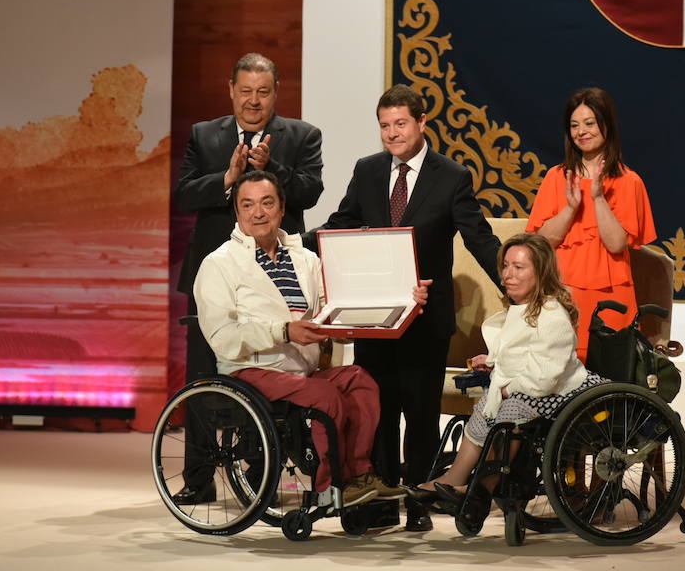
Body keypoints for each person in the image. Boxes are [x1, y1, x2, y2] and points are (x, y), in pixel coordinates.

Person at [308, 84, 501, 531]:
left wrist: (515, 281)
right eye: (384, 126)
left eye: (400, 124)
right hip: (375, 319)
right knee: (376, 412)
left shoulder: (451, 176)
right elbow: (341, 225)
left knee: (419, 416)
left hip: (425, 321)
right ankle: (377, 502)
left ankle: (418, 502)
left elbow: (478, 236)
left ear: (421, 124)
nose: (392, 134)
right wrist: (294, 245)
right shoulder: (368, 170)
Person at [192, 170, 428, 506]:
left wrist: (405, 299)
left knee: (361, 381)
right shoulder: (219, 264)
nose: (258, 212)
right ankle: (332, 484)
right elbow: (222, 336)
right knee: (324, 394)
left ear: (282, 207)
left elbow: (338, 308)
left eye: (266, 202)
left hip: (301, 369)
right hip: (249, 369)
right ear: (237, 212)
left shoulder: (306, 259)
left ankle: (360, 474)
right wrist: (284, 330)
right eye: (248, 205)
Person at [172, 53, 323, 504]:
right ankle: (198, 479)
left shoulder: (301, 135)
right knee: (203, 379)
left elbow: (310, 192)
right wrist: (228, 177)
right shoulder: (205, 135)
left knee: (271, 373)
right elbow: (182, 194)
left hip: (276, 280)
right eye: (245, 92)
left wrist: (272, 168)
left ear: (275, 93)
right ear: (230, 91)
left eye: (262, 92)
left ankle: (264, 477)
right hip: (215, 277)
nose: (252, 101)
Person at [407, 233, 608, 521]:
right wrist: (492, 363)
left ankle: (481, 489)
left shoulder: (552, 316)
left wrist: (506, 387)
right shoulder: (522, 308)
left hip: (561, 391)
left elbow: (546, 375)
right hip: (532, 388)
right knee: (483, 410)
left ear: (540, 273)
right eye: (506, 266)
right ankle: (455, 478)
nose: (508, 275)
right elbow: (521, 352)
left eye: (519, 267)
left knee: (509, 410)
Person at [526, 87, 656, 362]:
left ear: (606, 125)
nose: (581, 131)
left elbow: (616, 243)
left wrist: (597, 198)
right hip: (562, 294)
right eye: (574, 125)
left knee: (607, 380)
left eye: (589, 123)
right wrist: (571, 208)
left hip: (610, 300)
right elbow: (542, 242)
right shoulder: (556, 177)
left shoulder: (629, 182)